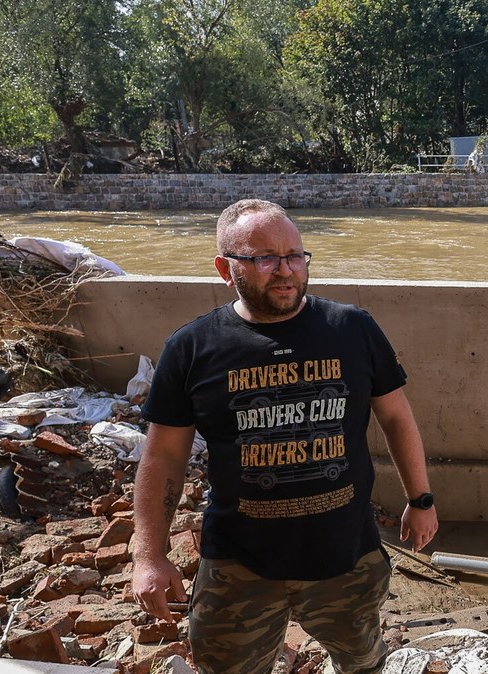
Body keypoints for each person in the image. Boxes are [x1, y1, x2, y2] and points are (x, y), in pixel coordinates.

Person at [131, 199, 438, 674]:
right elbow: (164, 455)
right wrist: (149, 555)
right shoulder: (192, 348)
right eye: (264, 258)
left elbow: (396, 417)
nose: (285, 271)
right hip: (239, 565)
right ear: (224, 268)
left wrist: (421, 500)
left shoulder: (352, 328)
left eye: (295, 255)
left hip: (344, 558)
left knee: (362, 664)